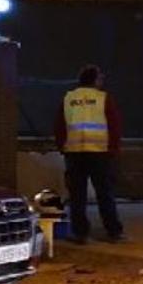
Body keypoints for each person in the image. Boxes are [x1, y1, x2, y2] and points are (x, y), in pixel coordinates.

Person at [54, 64, 125, 243]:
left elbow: (59, 125)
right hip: (99, 153)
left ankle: (80, 233)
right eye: (100, 77)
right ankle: (113, 232)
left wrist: (62, 147)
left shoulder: (69, 98)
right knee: (105, 193)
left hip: (74, 153)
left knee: (77, 196)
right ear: (94, 79)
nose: (102, 80)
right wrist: (113, 149)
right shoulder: (103, 98)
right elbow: (114, 125)